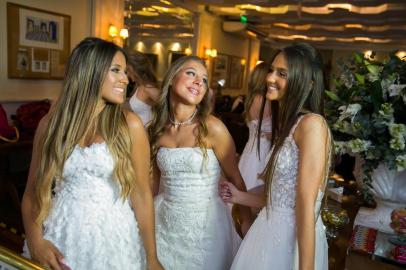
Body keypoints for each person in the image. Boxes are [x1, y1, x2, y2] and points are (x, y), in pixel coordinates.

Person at [21, 37, 163, 270]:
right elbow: (32, 194)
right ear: (91, 71)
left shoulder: (130, 125)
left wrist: (152, 258)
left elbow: (141, 195)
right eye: (116, 70)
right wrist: (36, 241)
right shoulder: (51, 125)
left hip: (113, 239)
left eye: (125, 72)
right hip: (60, 233)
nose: (126, 79)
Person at [221, 42, 332, 270]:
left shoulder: (312, 124)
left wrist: (306, 266)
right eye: (271, 70)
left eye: (281, 73)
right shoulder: (289, 124)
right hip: (267, 231)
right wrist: (239, 196)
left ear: (308, 84)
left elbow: (305, 203)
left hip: (292, 241)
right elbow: (279, 194)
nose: (270, 78)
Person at [148, 55, 252, 270]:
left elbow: (235, 178)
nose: (199, 82)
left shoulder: (212, 127)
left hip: (206, 229)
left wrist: (247, 224)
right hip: (165, 224)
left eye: (204, 79)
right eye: (191, 73)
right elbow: (153, 186)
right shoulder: (156, 130)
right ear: (171, 78)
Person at [238, 62, 272, 191]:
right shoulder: (264, 100)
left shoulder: (252, 98)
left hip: (250, 150)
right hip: (262, 151)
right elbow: (274, 131)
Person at [125, 51, 160, 126]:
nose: (127, 74)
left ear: (135, 70)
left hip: (147, 131)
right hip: (139, 130)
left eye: (128, 70)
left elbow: (167, 107)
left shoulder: (148, 88)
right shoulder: (139, 85)